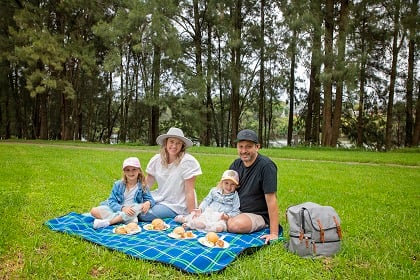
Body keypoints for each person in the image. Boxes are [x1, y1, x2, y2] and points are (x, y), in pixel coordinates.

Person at [227, 129, 280, 244]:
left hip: (257, 214)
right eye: (241, 147)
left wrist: (274, 233)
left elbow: (272, 200)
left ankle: (232, 221)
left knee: (235, 225)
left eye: (248, 147)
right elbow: (225, 189)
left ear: (257, 147)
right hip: (236, 210)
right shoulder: (236, 164)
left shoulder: (266, 167)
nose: (244, 151)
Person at [139, 127, 202, 222]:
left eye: (178, 143)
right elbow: (147, 185)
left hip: (177, 204)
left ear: (182, 146)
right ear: (166, 143)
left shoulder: (188, 162)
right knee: (134, 207)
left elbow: (189, 191)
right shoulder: (157, 160)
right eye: (171, 142)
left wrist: (191, 215)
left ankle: (177, 214)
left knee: (143, 214)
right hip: (160, 197)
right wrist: (137, 199)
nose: (174, 146)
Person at [90, 157, 155, 229]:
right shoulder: (118, 184)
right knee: (94, 211)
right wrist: (122, 208)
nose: (131, 172)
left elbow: (150, 199)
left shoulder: (143, 185)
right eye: (128, 170)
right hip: (117, 210)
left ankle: (108, 222)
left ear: (139, 170)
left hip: (131, 212)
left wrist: (148, 202)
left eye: (134, 169)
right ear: (124, 172)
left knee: (138, 208)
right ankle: (118, 220)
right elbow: (111, 201)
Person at [174, 169, 241, 232]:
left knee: (220, 227)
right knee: (200, 216)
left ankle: (203, 226)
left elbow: (236, 211)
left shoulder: (235, 196)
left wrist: (227, 216)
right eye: (226, 183)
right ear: (222, 182)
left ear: (236, 186)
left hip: (221, 217)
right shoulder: (214, 191)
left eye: (232, 184)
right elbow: (206, 201)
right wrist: (200, 209)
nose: (229, 187)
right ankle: (187, 219)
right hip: (210, 212)